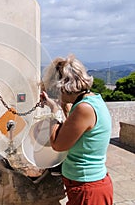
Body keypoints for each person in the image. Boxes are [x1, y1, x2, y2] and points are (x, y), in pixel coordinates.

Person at [40, 54, 113, 205]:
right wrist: (62, 106)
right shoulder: (91, 100)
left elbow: (58, 144)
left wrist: (54, 111)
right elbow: (72, 130)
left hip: (87, 188)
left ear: (64, 87)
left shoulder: (84, 108)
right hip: (86, 185)